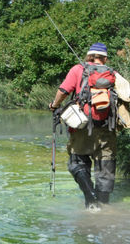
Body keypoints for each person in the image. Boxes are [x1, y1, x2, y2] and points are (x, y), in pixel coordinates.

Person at [48, 42, 119, 210]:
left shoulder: (78, 70)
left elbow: (64, 91)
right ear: (105, 58)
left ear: (89, 56)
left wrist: (54, 105)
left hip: (81, 126)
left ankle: (90, 198)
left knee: (77, 161)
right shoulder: (112, 74)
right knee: (105, 167)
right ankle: (103, 207)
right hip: (107, 127)